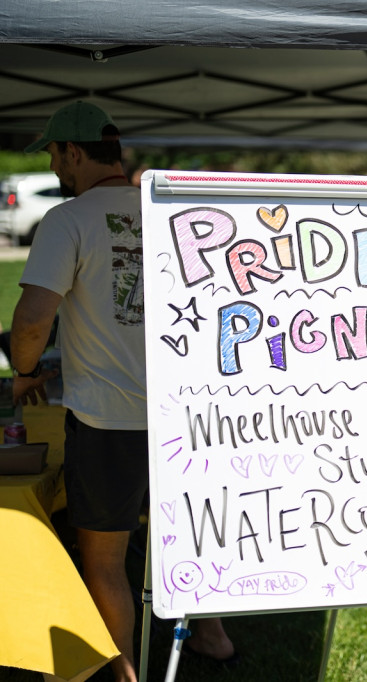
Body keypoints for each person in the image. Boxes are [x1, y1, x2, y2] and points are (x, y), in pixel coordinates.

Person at [11, 101, 236, 682]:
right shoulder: (169, 212)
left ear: (75, 152)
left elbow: (34, 319)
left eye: (57, 155)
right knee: (189, 532)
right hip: (188, 414)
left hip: (108, 422)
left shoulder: (68, 219)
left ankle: (126, 673)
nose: (57, 168)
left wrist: (25, 368)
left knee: (105, 559)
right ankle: (213, 637)